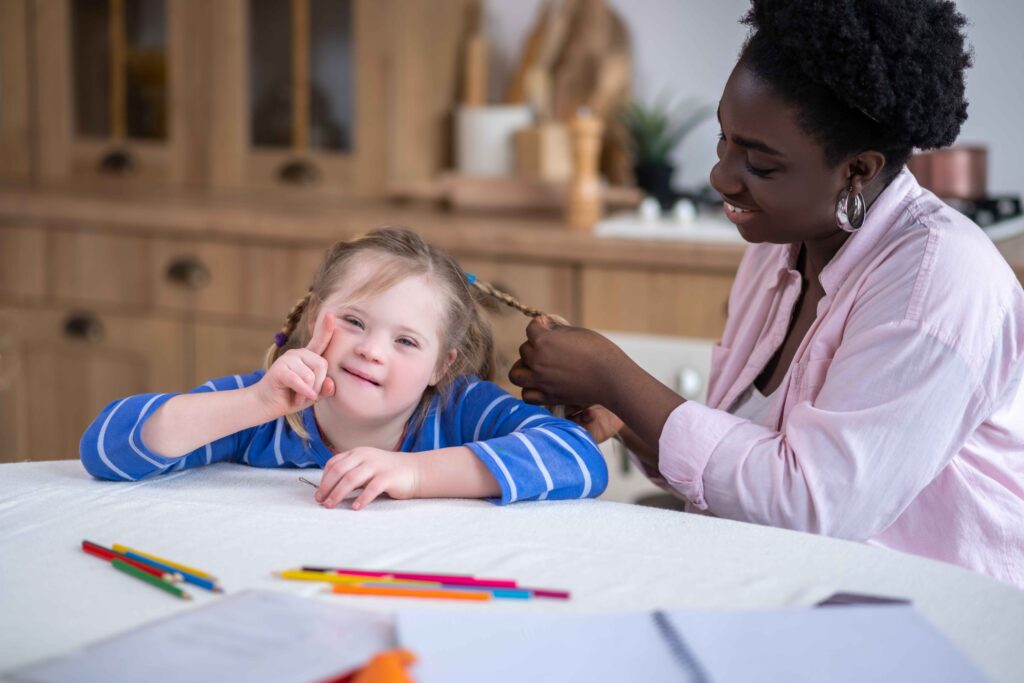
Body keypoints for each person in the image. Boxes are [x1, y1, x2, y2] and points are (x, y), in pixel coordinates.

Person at [510, 0, 1024, 586]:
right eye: (724, 140)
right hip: (797, 585)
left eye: (760, 164)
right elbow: (740, 471)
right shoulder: (780, 247)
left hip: (937, 617)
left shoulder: (936, 287)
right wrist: (626, 413)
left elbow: (809, 511)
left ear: (858, 171)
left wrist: (616, 377)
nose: (721, 177)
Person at [80, 227, 607, 509]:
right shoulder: (267, 411)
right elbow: (104, 448)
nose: (372, 351)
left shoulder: (459, 409)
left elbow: (580, 460)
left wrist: (414, 473)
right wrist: (253, 403)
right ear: (315, 318)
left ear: (439, 366)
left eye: (405, 340)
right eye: (354, 322)